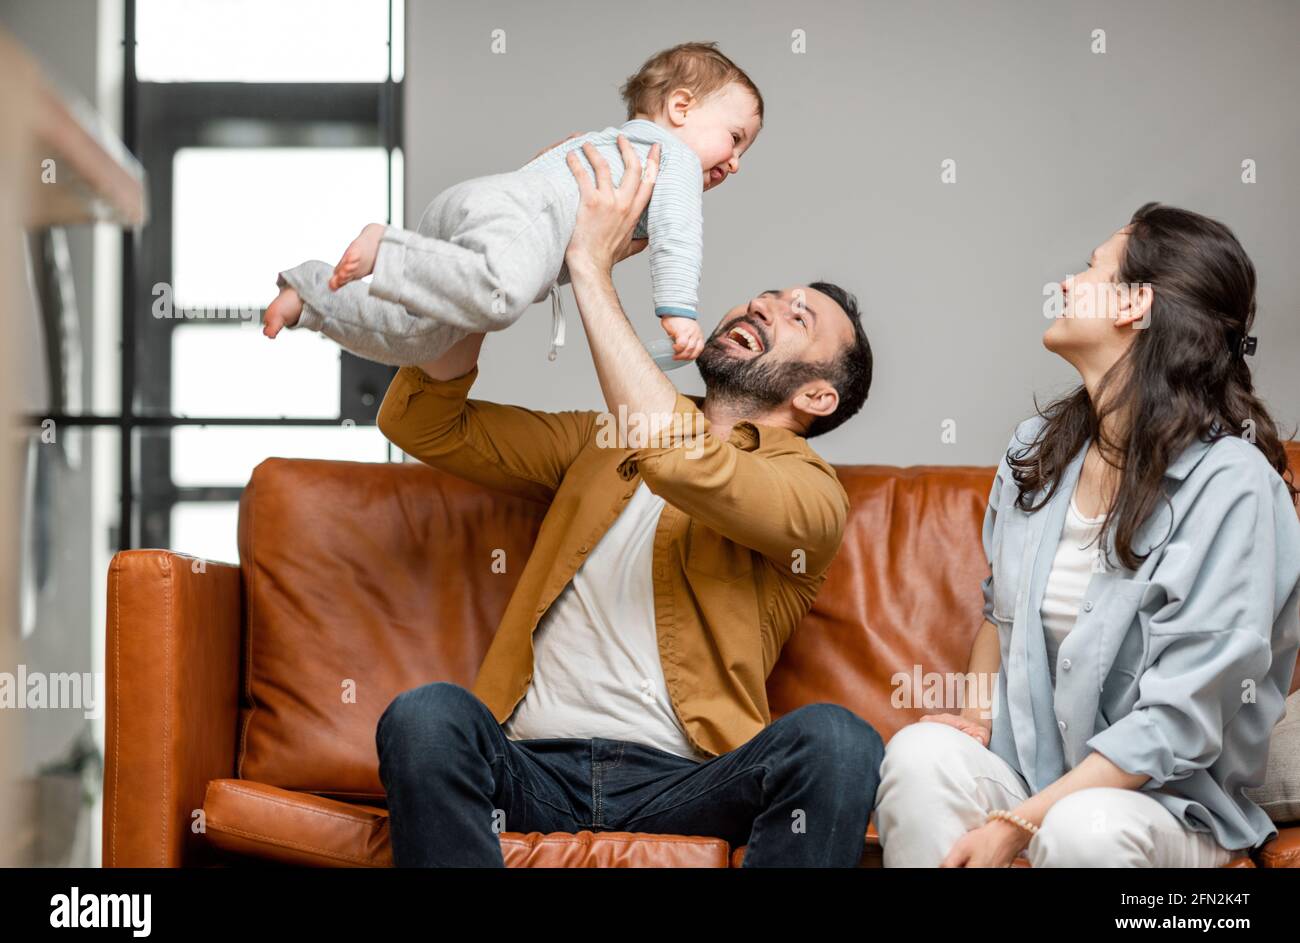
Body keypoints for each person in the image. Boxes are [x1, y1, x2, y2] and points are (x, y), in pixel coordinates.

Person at [355, 132, 881, 867]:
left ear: (817, 393)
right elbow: (421, 420)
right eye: (769, 293)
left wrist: (588, 265)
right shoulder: (600, 440)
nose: (765, 302)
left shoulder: (810, 495)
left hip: (692, 781)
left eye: (799, 317)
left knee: (836, 738)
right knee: (427, 716)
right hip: (529, 767)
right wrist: (497, 270)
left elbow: (680, 459)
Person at [874, 202, 1300, 867]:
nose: (1067, 284)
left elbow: (1178, 723)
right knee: (919, 756)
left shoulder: (1234, 485)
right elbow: (999, 613)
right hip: (1035, 771)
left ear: (1135, 305)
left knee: (1083, 826)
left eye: (1091, 268)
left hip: (1165, 802)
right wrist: (980, 716)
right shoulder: (1035, 450)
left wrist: (1017, 823)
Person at [261, 41, 763, 366]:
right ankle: (387, 248)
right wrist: (678, 312)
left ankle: (310, 298)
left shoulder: (608, 143)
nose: (736, 162)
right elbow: (680, 237)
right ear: (681, 107)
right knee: (501, 299)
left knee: (419, 340)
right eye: (735, 137)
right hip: (518, 221)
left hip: (481, 210)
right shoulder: (669, 158)